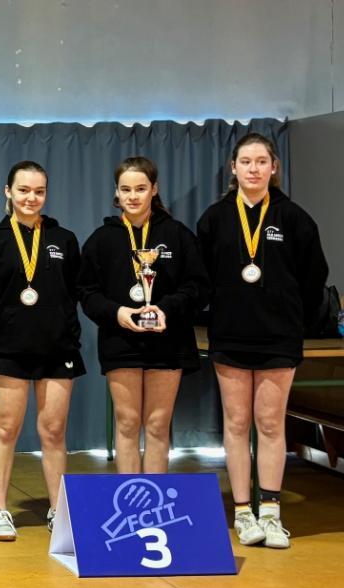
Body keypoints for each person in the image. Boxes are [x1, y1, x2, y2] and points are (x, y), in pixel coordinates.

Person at [196, 133, 329, 549]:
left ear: (274, 168)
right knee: (236, 424)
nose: (253, 169)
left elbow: (313, 281)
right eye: (245, 161)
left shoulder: (295, 219)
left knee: (270, 424)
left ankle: (270, 512)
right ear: (233, 169)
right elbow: (201, 279)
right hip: (231, 337)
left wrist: (289, 319)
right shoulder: (215, 219)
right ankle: (242, 514)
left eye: (261, 161)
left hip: (278, 339)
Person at [78, 157, 210, 475]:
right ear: (117, 193)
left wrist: (166, 308)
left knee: (157, 424)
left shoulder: (178, 235)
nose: (133, 196)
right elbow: (86, 293)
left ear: (154, 189)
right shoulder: (101, 240)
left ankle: (155, 501)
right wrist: (117, 312)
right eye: (126, 189)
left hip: (168, 340)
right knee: (127, 422)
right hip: (120, 340)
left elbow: (199, 286)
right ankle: (129, 501)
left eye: (140, 188)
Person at [0, 161, 83, 541]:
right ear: (8, 192)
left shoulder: (64, 240)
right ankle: (0, 509)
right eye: (23, 190)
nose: (31, 198)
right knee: (6, 428)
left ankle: (58, 509)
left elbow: (73, 293)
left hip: (57, 349)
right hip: (10, 349)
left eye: (38, 191)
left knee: (53, 430)